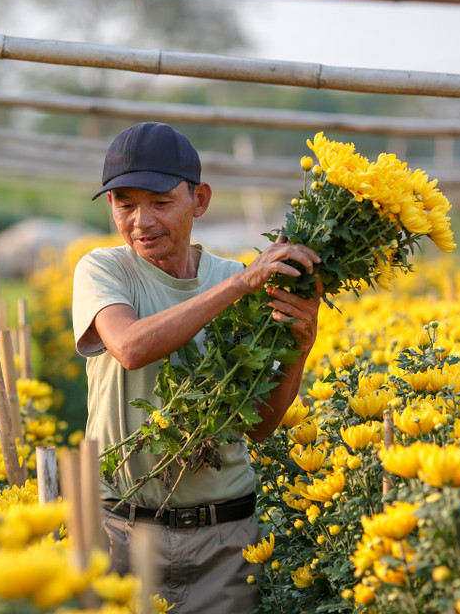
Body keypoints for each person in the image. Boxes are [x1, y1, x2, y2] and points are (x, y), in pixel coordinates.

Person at [71, 121, 321, 613]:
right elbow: (130, 347)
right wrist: (240, 286)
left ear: (199, 199)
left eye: (161, 202)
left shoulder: (237, 278)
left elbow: (260, 425)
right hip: (119, 530)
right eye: (125, 204)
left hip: (223, 539)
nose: (141, 221)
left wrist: (300, 347)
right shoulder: (104, 269)